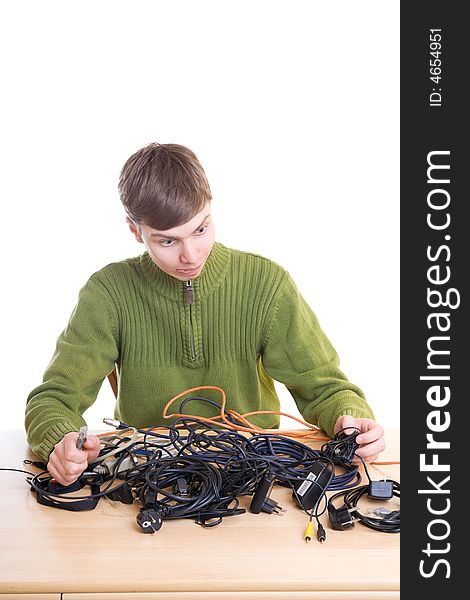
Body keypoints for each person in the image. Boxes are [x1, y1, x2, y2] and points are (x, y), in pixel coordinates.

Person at [25, 142, 385, 486]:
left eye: (201, 229)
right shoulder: (107, 294)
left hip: (256, 472)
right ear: (136, 231)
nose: (191, 255)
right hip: (150, 477)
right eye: (167, 241)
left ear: (211, 208)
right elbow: (53, 398)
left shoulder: (267, 283)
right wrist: (60, 440)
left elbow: (325, 388)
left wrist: (351, 418)